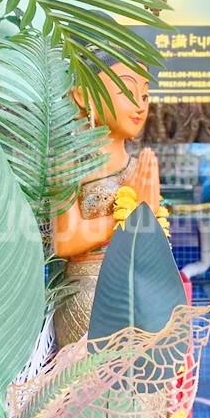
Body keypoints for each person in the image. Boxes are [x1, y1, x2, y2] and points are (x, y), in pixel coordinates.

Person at [51, 53, 160, 347]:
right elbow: (65, 242)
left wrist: (148, 219)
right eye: (127, 91)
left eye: (145, 95)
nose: (140, 105)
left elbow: (152, 248)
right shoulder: (69, 164)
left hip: (137, 289)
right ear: (85, 97)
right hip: (88, 290)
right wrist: (129, 216)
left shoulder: (141, 168)